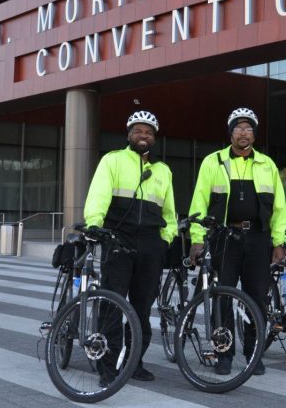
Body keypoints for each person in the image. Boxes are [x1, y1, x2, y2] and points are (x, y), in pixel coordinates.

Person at [189, 107, 286, 376]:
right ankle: (224, 353)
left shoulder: (267, 164)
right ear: (231, 133)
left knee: (257, 299)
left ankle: (254, 354)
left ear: (254, 134)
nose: (244, 133)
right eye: (238, 128)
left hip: (258, 238)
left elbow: (280, 208)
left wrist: (279, 242)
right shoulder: (214, 161)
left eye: (248, 128)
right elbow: (199, 201)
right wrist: (197, 239)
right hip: (224, 238)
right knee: (222, 298)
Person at [83, 110, 177, 385]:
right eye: (138, 130)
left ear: (154, 138)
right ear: (129, 135)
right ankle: (108, 367)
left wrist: (166, 238)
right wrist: (94, 224)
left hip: (151, 244)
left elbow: (169, 212)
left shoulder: (163, 170)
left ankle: (134, 362)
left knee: (142, 308)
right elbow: (98, 195)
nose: (143, 135)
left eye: (148, 132)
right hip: (118, 239)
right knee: (113, 304)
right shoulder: (112, 160)